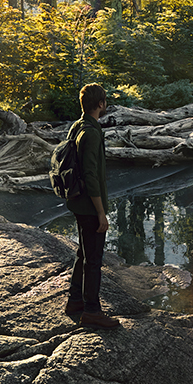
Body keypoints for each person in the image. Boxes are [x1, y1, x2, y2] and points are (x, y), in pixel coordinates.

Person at [64, 83, 121, 329]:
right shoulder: (91, 133)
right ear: (101, 104)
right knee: (94, 259)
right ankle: (92, 311)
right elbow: (90, 175)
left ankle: (75, 300)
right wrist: (101, 213)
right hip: (89, 205)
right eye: (105, 100)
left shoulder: (77, 126)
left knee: (82, 253)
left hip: (77, 201)